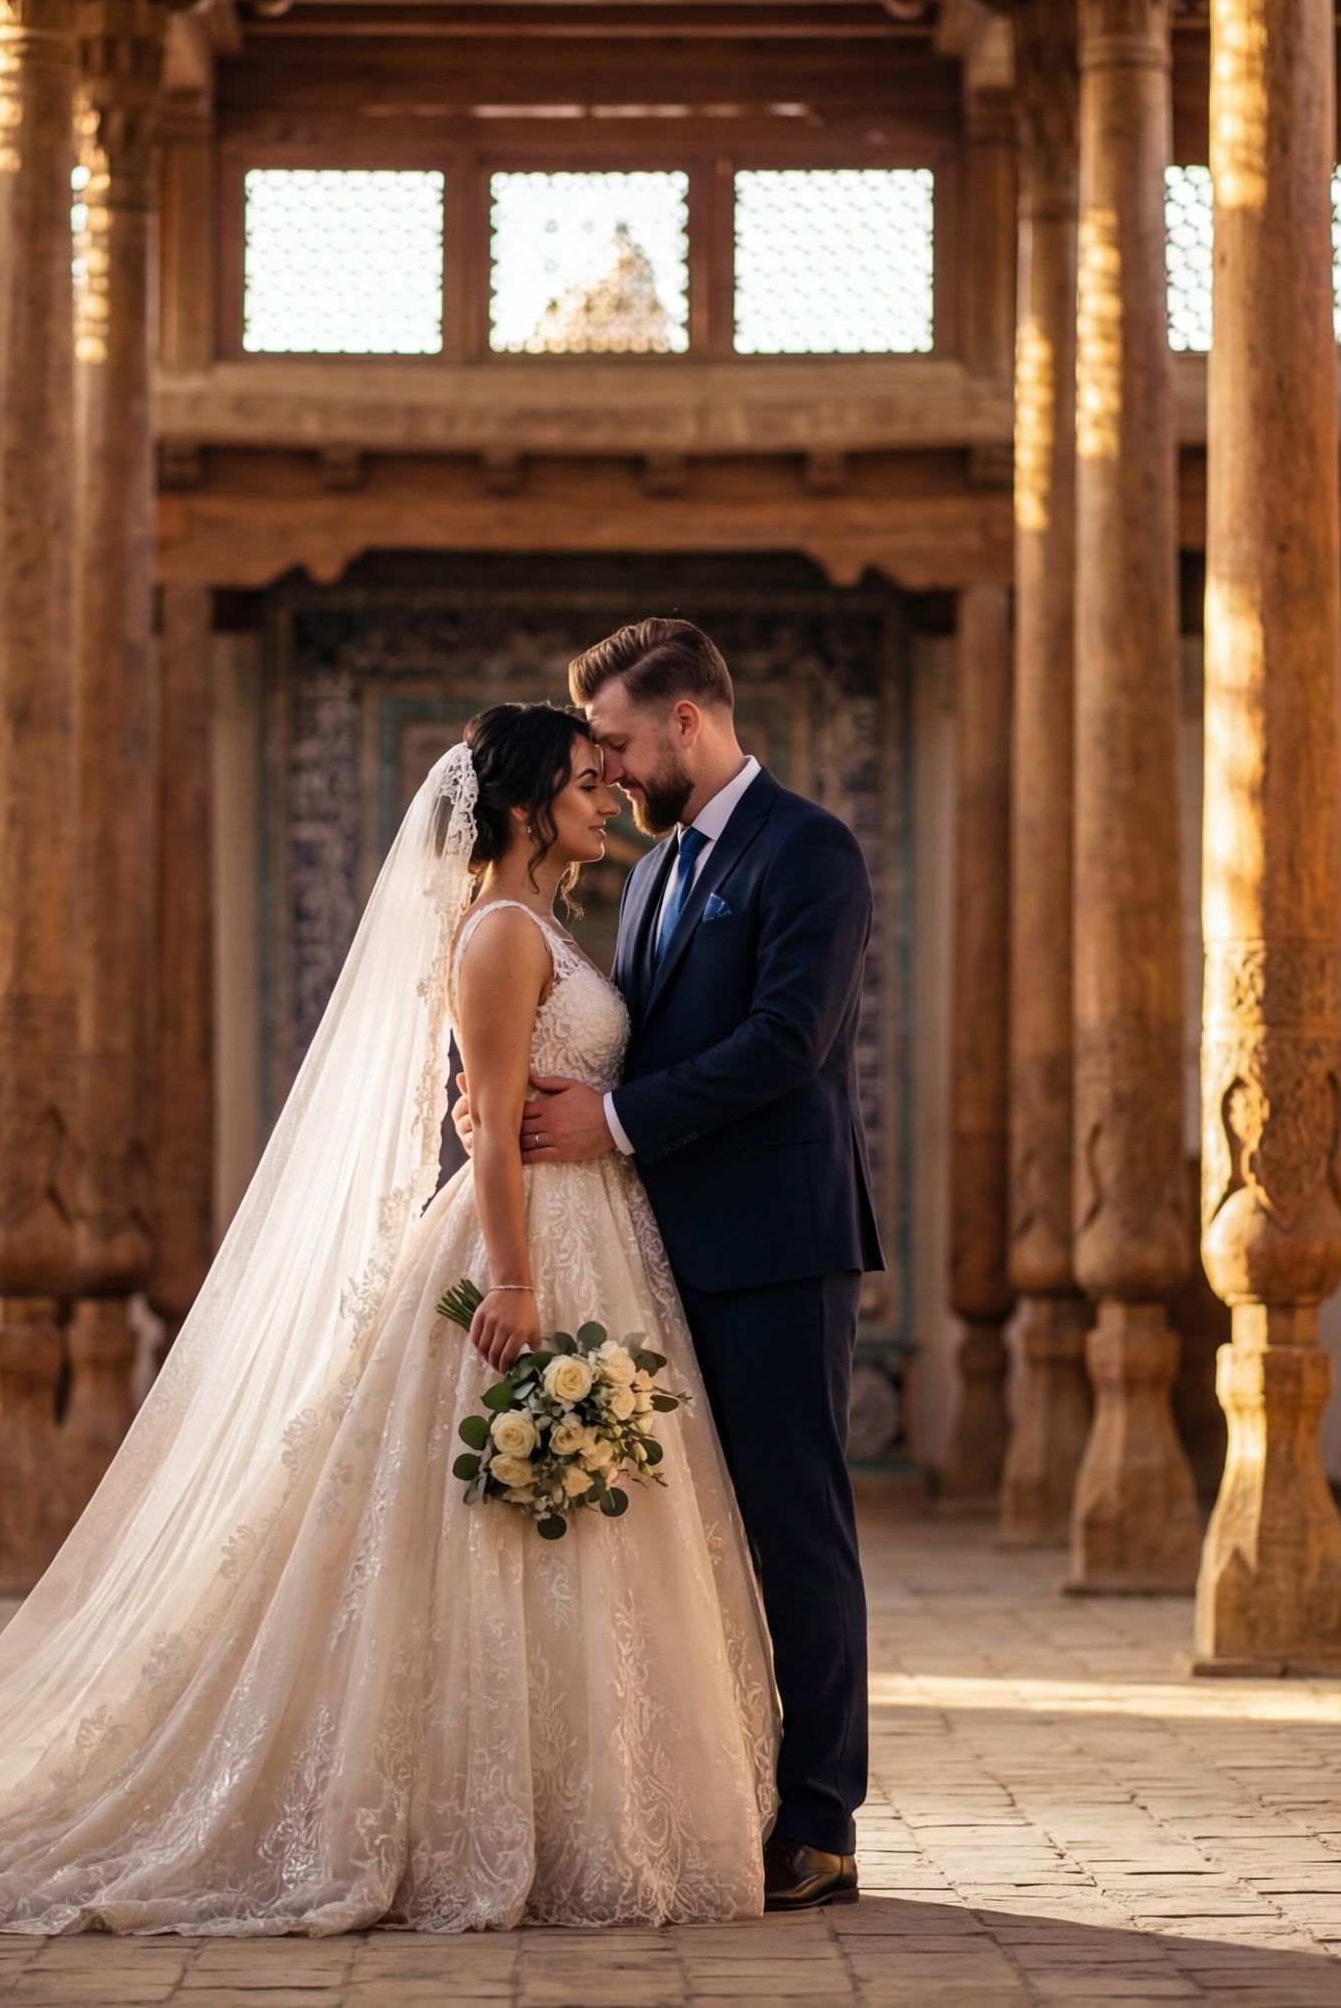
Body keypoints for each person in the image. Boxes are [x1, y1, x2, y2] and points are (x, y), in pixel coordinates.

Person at [0, 700, 773, 1935]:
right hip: (530, 1246)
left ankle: (578, 1801)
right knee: (496, 1519)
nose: (607, 798)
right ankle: (481, 1814)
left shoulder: (546, 925)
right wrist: (511, 1282)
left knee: (579, 1531)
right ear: (522, 807)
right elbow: (490, 1127)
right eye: (586, 782)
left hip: (596, 1233)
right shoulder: (499, 934)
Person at [463, 617, 881, 1911]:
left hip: (773, 1245)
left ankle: (819, 1821)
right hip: (643, 1255)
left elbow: (786, 1041)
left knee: (793, 1529)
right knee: (684, 1540)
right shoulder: (648, 877)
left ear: (686, 723)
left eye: (621, 743)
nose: (610, 770)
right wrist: (497, 1104)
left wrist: (613, 1119)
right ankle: (707, 1796)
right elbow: (605, 1041)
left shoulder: (807, 849)